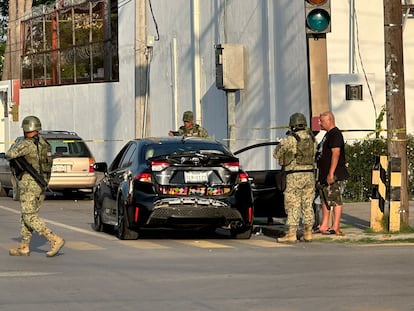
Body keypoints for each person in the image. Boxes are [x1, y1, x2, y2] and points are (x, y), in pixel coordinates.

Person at [7, 116, 65, 257]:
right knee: (25, 216)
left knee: (29, 216)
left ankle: (54, 238)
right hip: (41, 183)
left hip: (29, 184)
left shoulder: (26, 144)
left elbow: (9, 154)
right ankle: (24, 246)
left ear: (26, 129)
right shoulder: (45, 144)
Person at [273, 113, 317, 242]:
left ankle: (291, 234)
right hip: (309, 174)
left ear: (292, 125)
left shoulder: (290, 139)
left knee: (293, 204)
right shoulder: (312, 138)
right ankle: (308, 232)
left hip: (294, 175)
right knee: (308, 203)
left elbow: (276, 154)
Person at [315, 111, 349, 236]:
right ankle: (324, 225)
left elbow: (336, 153)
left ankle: (335, 227)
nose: (320, 123)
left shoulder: (335, 134)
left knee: (335, 200)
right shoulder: (327, 135)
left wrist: (331, 173)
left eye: (322, 121)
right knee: (325, 199)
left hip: (334, 175)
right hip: (324, 175)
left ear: (330, 120)